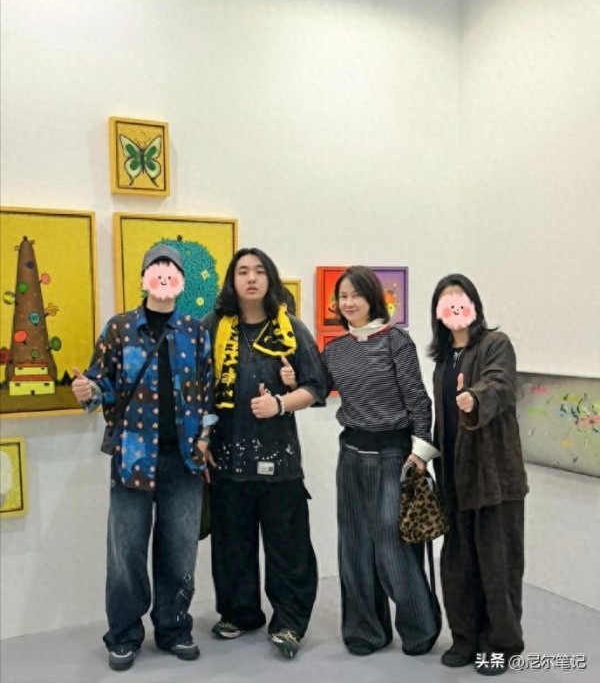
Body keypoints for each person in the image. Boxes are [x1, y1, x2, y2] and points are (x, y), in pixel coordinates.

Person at [71, 244, 217, 672]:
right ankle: (124, 635)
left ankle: (174, 628)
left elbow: (208, 393)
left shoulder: (195, 331)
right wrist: (87, 391)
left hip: (184, 460)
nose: (164, 276)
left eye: (171, 270)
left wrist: (204, 439)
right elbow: (101, 384)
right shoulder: (120, 328)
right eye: (156, 268)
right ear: (144, 278)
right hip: (132, 457)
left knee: (180, 550)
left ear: (181, 282)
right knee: (126, 552)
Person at [201, 247, 326, 660]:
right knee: (231, 546)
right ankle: (239, 614)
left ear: (270, 279)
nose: (251, 278)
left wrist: (280, 404)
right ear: (232, 281)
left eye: (259, 271)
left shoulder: (291, 328)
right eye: (242, 271)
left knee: (288, 547)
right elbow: (196, 388)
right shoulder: (212, 327)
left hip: (280, 460)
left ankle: (290, 622)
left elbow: (316, 386)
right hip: (227, 459)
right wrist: (202, 439)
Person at [320, 266, 441, 657]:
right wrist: (289, 379)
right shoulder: (335, 350)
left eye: (356, 294)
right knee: (354, 546)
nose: (349, 302)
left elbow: (418, 400)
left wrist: (421, 452)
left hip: (394, 456)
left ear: (373, 298)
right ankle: (364, 631)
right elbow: (316, 389)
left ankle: (420, 629)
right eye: (342, 296)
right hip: (351, 456)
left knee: (393, 546)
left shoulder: (396, 341)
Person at [428, 274, 528, 677]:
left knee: (498, 565)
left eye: (460, 296)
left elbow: (500, 384)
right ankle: (465, 639)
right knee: (458, 564)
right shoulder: (442, 360)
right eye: (446, 299)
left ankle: (500, 644)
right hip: (455, 479)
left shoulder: (495, 344)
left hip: (495, 478)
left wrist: (474, 396)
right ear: (438, 312)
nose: (454, 304)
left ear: (473, 304)